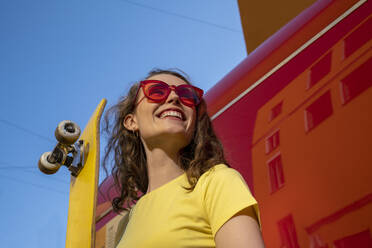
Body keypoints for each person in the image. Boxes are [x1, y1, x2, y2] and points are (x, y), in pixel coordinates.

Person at [103, 68, 265, 248]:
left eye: (186, 95)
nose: (174, 98)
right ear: (131, 121)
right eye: (156, 91)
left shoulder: (217, 181)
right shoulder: (125, 224)